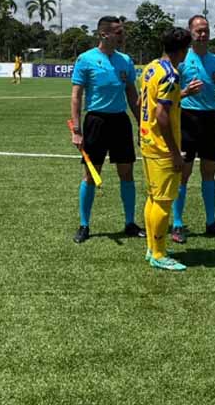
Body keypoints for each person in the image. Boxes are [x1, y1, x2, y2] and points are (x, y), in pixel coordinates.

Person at [69, 16, 145, 243]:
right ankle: (84, 225)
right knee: (91, 175)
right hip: (96, 122)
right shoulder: (85, 59)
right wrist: (76, 129)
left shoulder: (125, 61)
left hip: (120, 122)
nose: (123, 36)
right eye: (119, 32)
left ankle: (130, 223)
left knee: (127, 173)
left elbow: (132, 94)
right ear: (104, 34)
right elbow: (76, 95)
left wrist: (141, 124)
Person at [171, 15, 215, 243]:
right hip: (186, 118)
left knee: (209, 171)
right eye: (198, 30)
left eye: (205, 30)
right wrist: (186, 92)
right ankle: (177, 224)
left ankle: (210, 221)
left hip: (210, 120)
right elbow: (167, 96)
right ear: (190, 32)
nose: (202, 34)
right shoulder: (180, 60)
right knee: (183, 174)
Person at [139, 27, 192, 271]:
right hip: (161, 148)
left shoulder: (151, 68)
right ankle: (159, 254)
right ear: (183, 50)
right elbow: (162, 115)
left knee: (153, 198)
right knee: (163, 201)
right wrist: (174, 152)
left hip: (147, 142)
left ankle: (152, 248)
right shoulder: (171, 75)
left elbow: (142, 103)